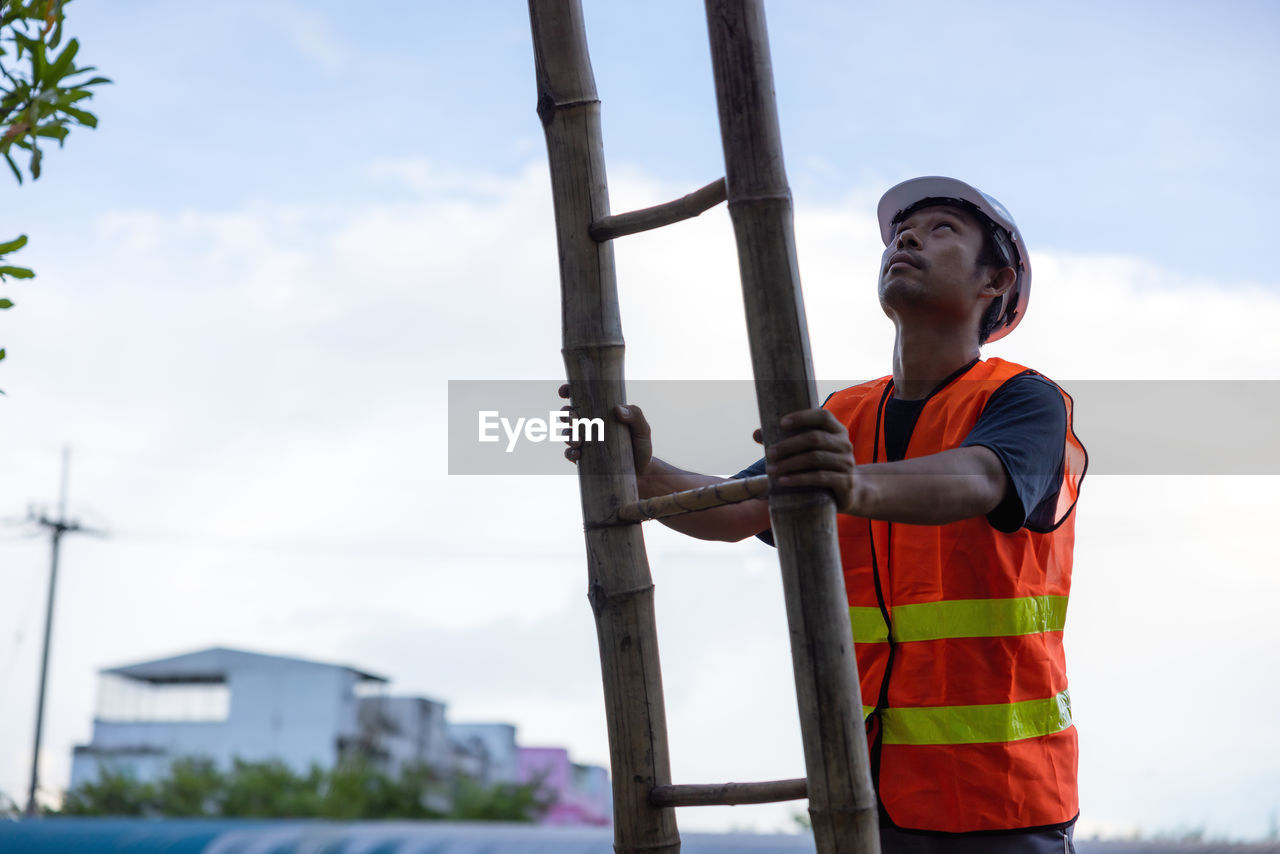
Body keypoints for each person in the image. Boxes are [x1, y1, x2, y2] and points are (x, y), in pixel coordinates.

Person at [562, 177, 1086, 853]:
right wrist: (647, 473)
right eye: (903, 231)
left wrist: (852, 486)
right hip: (866, 794)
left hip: (1002, 803)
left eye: (941, 230)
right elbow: (739, 509)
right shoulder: (846, 415)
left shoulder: (1024, 400)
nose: (907, 238)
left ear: (996, 282)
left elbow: (981, 477)